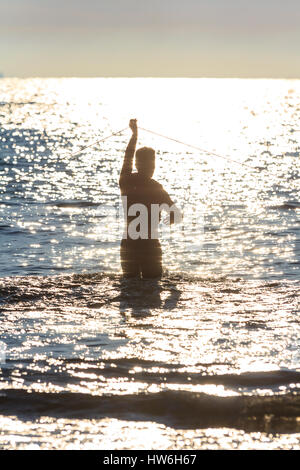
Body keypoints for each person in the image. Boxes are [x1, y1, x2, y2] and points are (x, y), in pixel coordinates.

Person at [119, 119, 181, 278]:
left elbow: (127, 158)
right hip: (150, 247)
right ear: (147, 166)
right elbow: (176, 214)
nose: (153, 168)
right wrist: (169, 219)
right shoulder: (156, 188)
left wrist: (134, 135)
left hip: (129, 245)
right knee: (153, 288)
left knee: (129, 288)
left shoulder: (126, 181)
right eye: (152, 165)